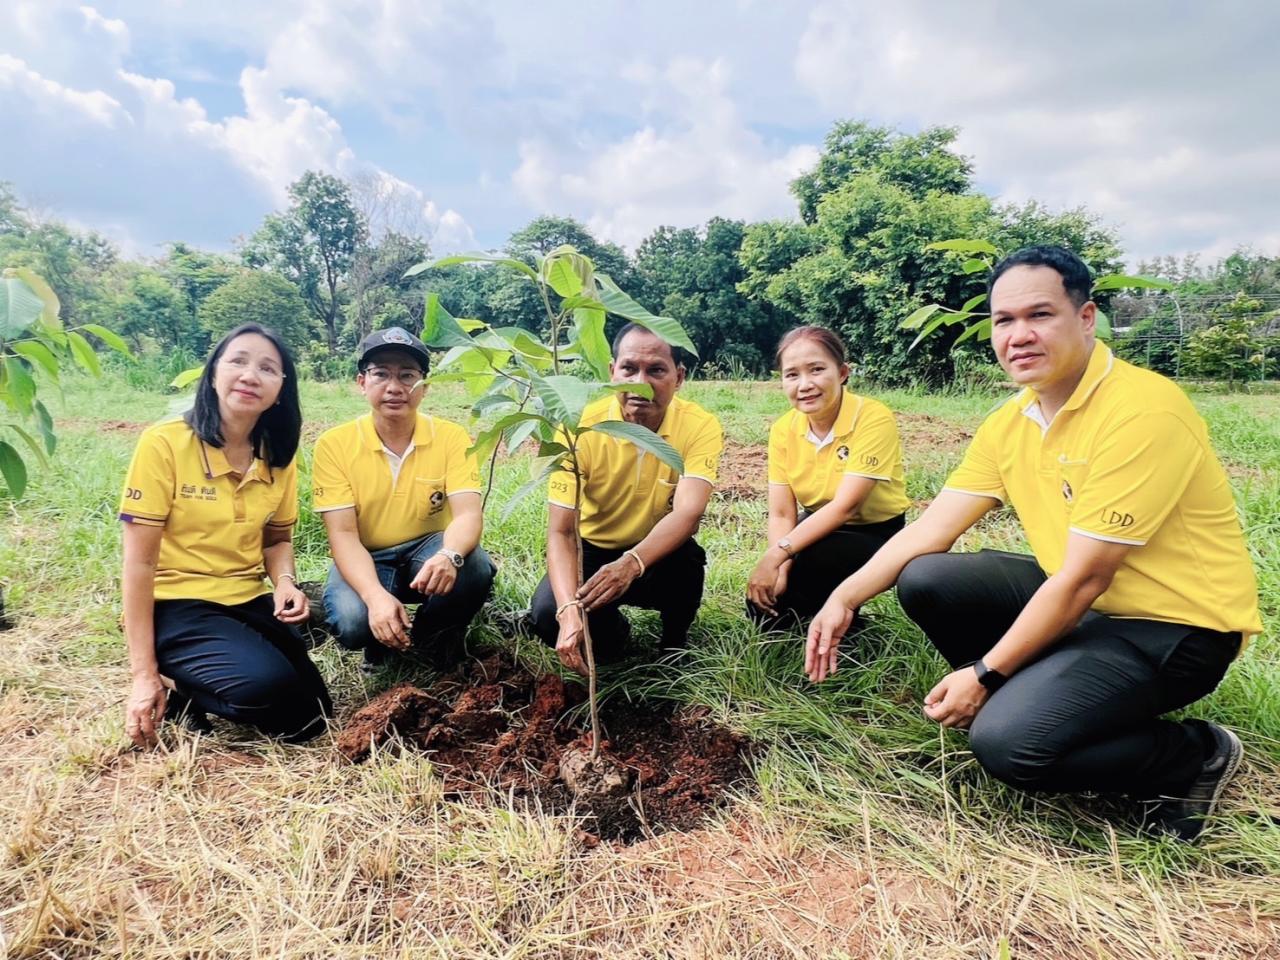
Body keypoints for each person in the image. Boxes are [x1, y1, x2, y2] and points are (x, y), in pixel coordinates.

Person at [808, 245, 1261, 840]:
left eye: (1039, 315)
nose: (1018, 335)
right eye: (1003, 321)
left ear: (1086, 317)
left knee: (1007, 744)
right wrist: (845, 596)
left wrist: (986, 675)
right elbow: (931, 528)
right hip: (1086, 605)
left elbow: (1085, 579)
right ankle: (1044, 695)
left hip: (1175, 627)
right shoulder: (1012, 420)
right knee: (929, 577)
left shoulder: (1142, 412)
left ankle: (1191, 754)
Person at [120, 324, 331, 747]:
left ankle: (196, 677)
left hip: (245, 596)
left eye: (267, 368)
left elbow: (277, 539)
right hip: (176, 601)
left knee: (313, 717)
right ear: (214, 371)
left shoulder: (278, 456)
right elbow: (139, 563)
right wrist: (141, 675)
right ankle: (171, 682)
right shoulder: (164, 444)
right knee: (266, 689)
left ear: (280, 389)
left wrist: (285, 582)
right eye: (238, 360)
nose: (250, 375)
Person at [529, 323, 724, 674]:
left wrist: (632, 563)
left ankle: (674, 642)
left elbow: (688, 513)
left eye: (656, 370)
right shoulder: (578, 429)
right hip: (592, 547)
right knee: (547, 614)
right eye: (629, 369)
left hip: (657, 548)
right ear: (611, 372)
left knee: (686, 566)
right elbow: (561, 532)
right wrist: (568, 612)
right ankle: (612, 635)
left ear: (678, 377)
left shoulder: (699, 426)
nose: (640, 383)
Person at [313, 326, 496, 672]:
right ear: (361, 382)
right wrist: (374, 597)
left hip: (427, 547)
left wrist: (449, 555)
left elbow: (468, 515)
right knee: (353, 621)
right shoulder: (334, 445)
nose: (395, 387)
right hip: (367, 552)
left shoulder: (451, 437)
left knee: (473, 567)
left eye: (407, 375)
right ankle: (380, 642)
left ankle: (432, 637)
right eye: (381, 374)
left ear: (424, 386)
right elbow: (343, 535)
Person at [747, 326, 909, 628]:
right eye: (792, 374)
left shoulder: (873, 418)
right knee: (764, 607)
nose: (804, 384)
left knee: (815, 560)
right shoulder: (783, 429)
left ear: (843, 372)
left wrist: (776, 556)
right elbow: (782, 512)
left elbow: (846, 507)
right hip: (817, 521)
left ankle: (845, 621)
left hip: (875, 530)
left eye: (817, 370)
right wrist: (779, 565)